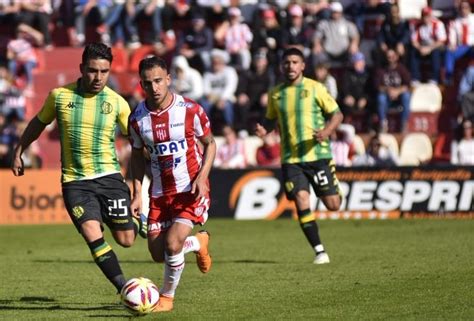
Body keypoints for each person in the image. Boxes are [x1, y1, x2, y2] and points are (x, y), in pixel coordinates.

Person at [10, 43, 146, 294]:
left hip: (109, 177)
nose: (98, 77)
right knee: (91, 233)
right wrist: (19, 150)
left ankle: (139, 221)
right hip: (75, 182)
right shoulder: (59, 96)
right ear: (82, 68)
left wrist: (138, 191)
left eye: (104, 72)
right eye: (93, 71)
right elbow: (38, 124)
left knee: (126, 240)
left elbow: (137, 147)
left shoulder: (118, 103)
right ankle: (125, 289)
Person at [129, 55, 216, 312]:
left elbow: (210, 144)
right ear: (141, 84)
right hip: (158, 193)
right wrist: (137, 193)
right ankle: (198, 243)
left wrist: (202, 177)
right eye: (147, 83)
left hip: (189, 189)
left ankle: (166, 298)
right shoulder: (137, 119)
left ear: (168, 79)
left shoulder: (190, 110)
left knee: (172, 244)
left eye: (158, 80)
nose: (154, 87)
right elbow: (136, 155)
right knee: (159, 254)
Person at [255, 47, 343, 265]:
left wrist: (326, 132)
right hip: (291, 160)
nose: (291, 66)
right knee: (302, 200)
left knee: (333, 204)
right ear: (282, 66)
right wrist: (263, 129)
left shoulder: (316, 88)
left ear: (303, 65)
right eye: (287, 63)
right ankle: (320, 251)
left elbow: (337, 114)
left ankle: (334, 189)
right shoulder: (276, 94)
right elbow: (269, 120)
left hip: (318, 155)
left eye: (295, 62)